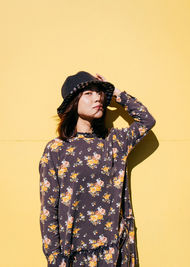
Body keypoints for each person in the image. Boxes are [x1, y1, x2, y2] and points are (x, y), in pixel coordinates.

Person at [39, 71, 156, 267]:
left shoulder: (114, 141)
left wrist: (116, 93)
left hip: (114, 253)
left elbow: (146, 121)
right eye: (88, 94)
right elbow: (49, 209)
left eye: (99, 93)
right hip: (74, 256)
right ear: (74, 102)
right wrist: (54, 258)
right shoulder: (56, 150)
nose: (98, 98)